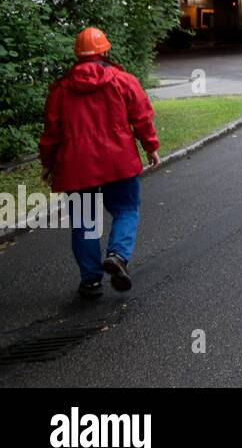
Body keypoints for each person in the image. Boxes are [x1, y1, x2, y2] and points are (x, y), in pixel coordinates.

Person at [38, 27, 160, 300]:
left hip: (76, 167)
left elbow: (51, 134)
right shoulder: (123, 80)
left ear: (77, 55)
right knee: (126, 209)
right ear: (105, 50)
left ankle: (91, 281)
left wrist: (48, 164)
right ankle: (117, 255)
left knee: (84, 222)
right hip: (119, 162)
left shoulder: (60, 90)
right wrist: (150, 147)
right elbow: (141, 117)